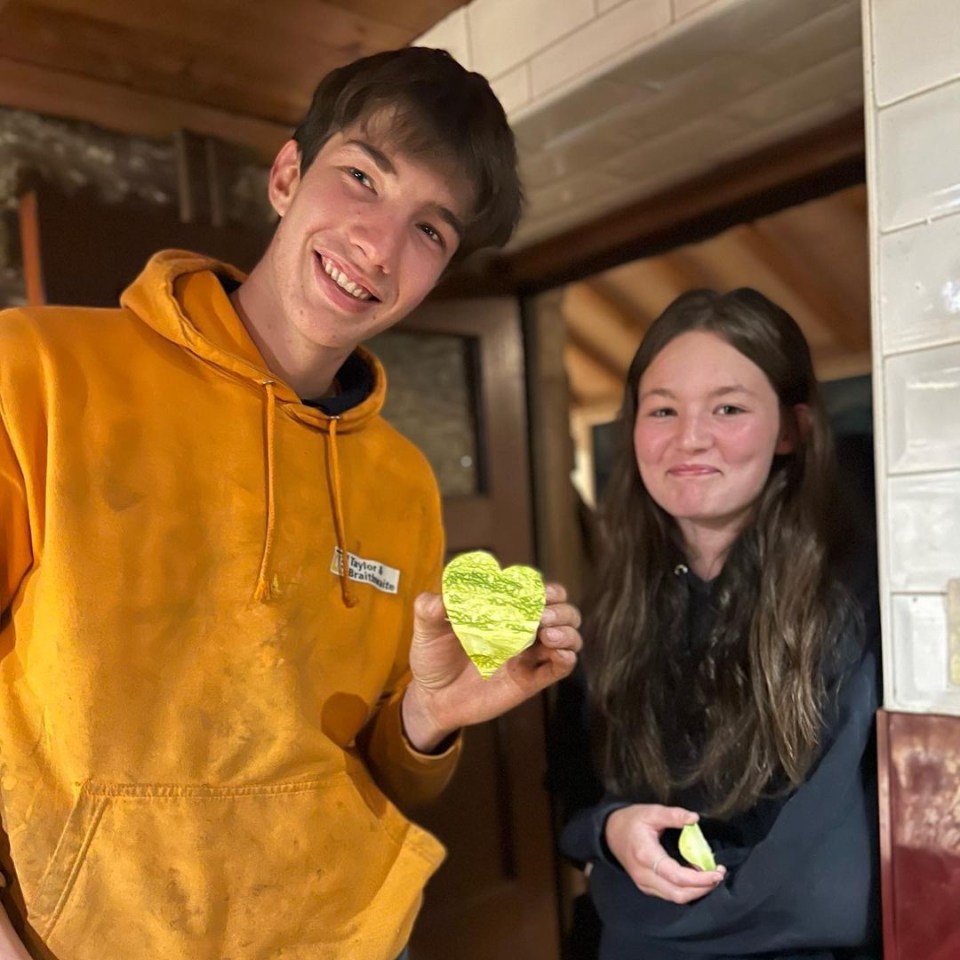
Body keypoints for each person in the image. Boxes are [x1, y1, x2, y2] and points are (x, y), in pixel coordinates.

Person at [0, 47, 583, 960]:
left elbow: (387, 772)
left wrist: (433, 717)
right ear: (285, 175)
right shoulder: (33, 370)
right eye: (361, 178)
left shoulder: (402, 483)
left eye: (430, 230)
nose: (378, 247)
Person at [559, 288, 881, 960]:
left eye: (728, 408)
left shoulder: (859, 598)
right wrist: (611, 830)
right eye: (663, 410)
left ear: (791, 430)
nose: (689, 438)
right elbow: (574, 795)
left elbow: (829, 885)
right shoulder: (612, 601)